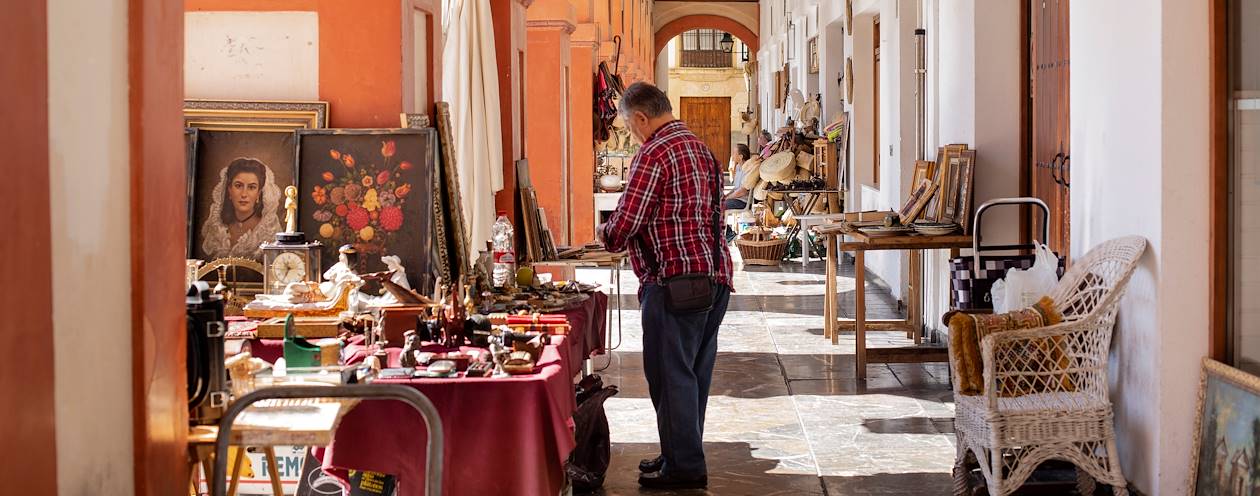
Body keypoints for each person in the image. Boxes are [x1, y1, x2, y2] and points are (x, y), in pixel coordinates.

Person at [597, 82, 733, 490]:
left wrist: (605, 232)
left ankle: (685, 467)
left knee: (670, 376)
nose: (632, 133)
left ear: (640, 117)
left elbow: (626, 224)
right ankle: (679, 452)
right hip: (714, 278)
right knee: (693, 375)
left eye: (629, 125)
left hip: (674, 283)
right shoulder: (701, 149)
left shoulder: (653, 154)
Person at [200, 157, 283, 260]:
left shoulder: (268, 230)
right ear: (229, 190)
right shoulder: (217, 227)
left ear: (258, 194)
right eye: (238, 186)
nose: (244, 194)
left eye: (251, 187)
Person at [722, 143, 755, 211]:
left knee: (719, 206)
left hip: (743, 202)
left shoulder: (748, 169)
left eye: (734, 153)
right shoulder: (738, 167)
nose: (732, 155)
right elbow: (736, 188)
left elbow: (743, 191)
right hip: (736, 198)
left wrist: (727, 198)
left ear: (741, 156)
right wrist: (725, 196)